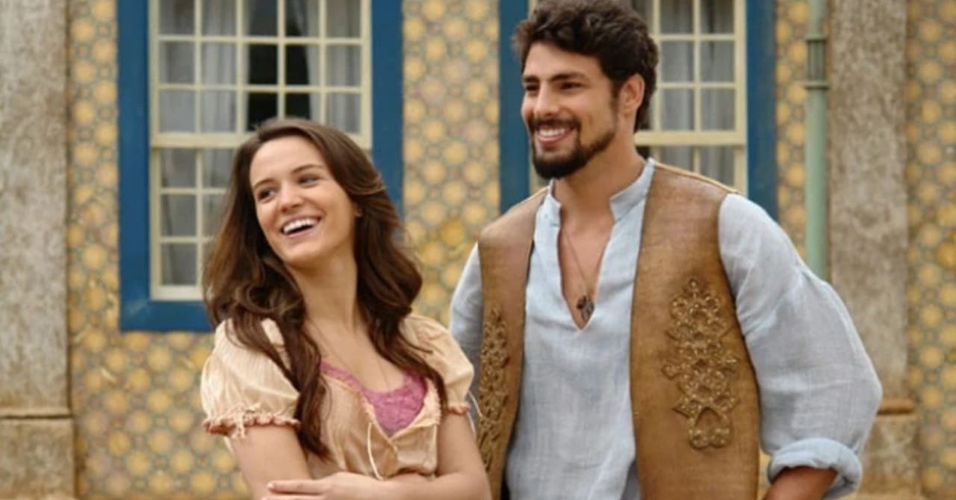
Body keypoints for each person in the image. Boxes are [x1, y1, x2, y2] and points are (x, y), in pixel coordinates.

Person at [449, 1, 882, 499]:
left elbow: (835, 389)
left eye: (568, 85)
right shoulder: (499, 250)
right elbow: (449, 417)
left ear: (629, 94)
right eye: (532, 87)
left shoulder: (726, 227)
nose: (542, 106)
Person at [200, 117, 491, 500]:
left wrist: (388, 495)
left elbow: (475, 490)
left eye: (307, 179)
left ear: (355, 200)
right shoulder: (257, 347)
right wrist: (426, 488)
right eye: (266, 194)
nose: (287, 201)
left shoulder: (423, 343)